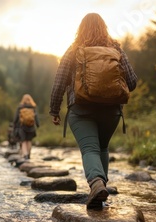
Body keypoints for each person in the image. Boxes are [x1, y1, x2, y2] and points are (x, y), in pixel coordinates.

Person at [49, 13, 138, 209]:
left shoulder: (73, 50)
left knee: (90, 149)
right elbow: (132, 83)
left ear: (80, 30)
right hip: (111, 111)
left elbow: (59, 82)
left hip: (81, 110)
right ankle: (100, 191)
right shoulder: (116, 50)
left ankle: (96, 183)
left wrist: (54, 110)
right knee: (102, 148)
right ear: (104, 28)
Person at [13, 94, 40, 159]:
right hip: (31, 127)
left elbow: (16, 118)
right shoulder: (33, 107)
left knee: (24, 141)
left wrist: (14, 125)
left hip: (22, 127)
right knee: (29, 141)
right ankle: (29, 154)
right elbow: (36, 117)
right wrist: (38, 124)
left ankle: (25, 155)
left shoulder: (20, 107)